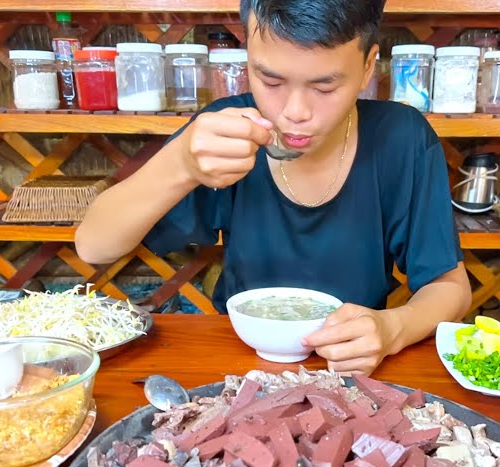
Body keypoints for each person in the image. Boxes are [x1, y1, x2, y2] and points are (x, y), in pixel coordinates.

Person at [75, 0, 472, 375]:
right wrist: (179, 163)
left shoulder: (400, 138)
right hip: (241, 362)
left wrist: (393, 328)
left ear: (368, 67)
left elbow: (450, 287)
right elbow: (94, 246)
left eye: (324, 87)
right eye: (270, 80)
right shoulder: (224, 130)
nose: (295, 112)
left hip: (350, 366)